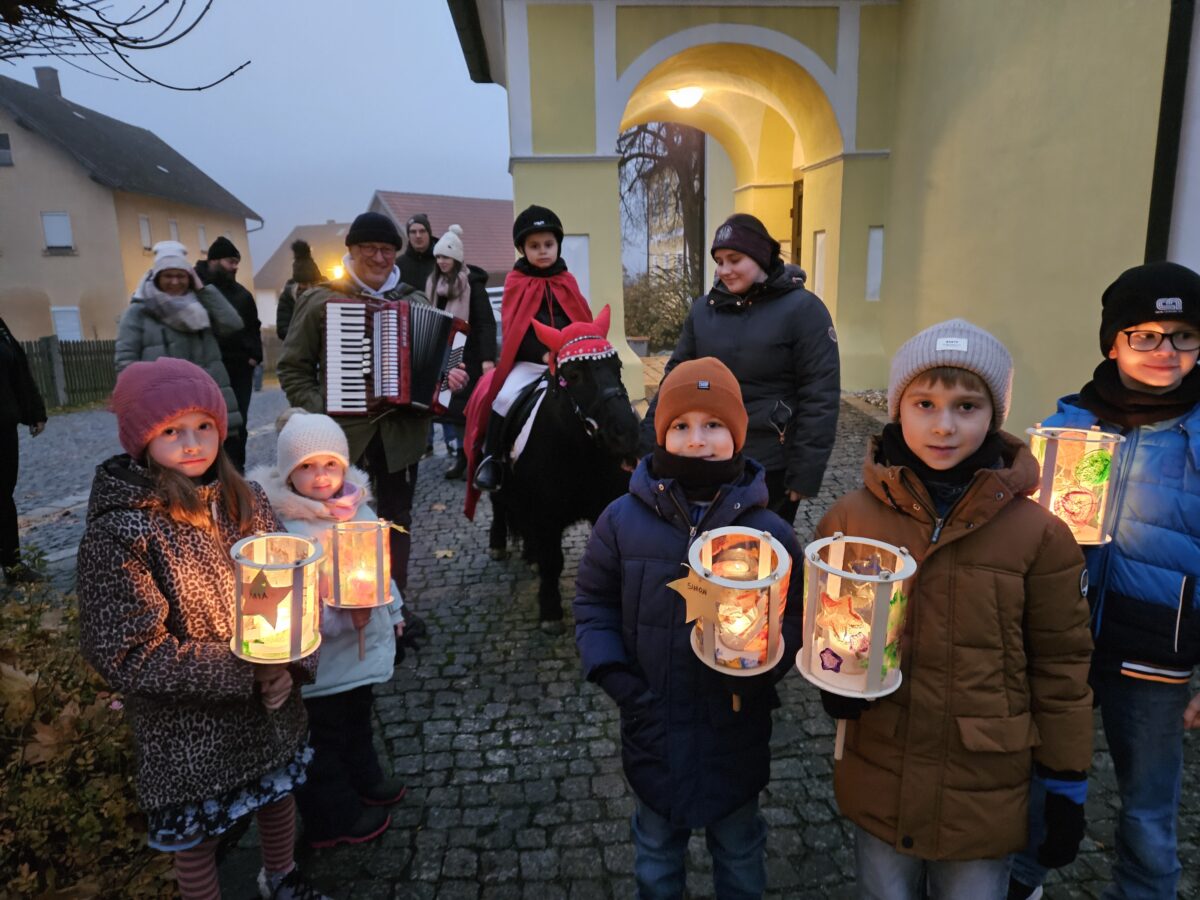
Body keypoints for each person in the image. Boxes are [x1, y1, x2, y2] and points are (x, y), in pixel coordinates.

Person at [814, 320, 1094, 900]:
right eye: (924, 403)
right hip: (883, 767)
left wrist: (1066, 778)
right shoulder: (850, 520)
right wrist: (833, 678)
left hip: (985, 784)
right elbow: (825, 620)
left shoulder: (1039, 535)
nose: (943, 425)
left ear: (994, 415)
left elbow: (1062, 665)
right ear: (898, 410)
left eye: (966, 406)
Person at [76, 357, 328, 900]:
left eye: (204, 427)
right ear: (142, 439)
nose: (192, 442)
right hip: (188, 729)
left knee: (277, 795)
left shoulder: (245, 500)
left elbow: (298, 585)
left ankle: (281, 878)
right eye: (172, 430)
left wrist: (287, 665)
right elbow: (128, 650)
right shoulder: (124, 531)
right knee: (196, 841)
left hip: (268, 709)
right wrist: (244, 671)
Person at [574, 357, 805, 898]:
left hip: (735, 724)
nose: (697, 440)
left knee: (740, 853)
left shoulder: (767, 531)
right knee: (656, 858)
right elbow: (593, 601)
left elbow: (795, 610)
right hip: (652, 723)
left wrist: (767, 664)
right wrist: (616, 678)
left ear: (738, 435)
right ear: (660, 433)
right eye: (681, 426)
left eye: (713, 425)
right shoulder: (620, 522)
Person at [1009, 262, 1200, 900]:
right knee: (1041, 778)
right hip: (1067, 644)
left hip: (1158, 655)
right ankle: (1022, 879)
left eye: (1182, 335)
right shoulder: (1071, 425)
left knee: (1147, 809)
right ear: (1113, 343)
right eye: (1144, 334)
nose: (1164, 351)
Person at [277, 211, 467, 643]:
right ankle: (346, 610)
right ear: (352, 252)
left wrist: (451, 379)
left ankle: (394, 611)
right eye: (369, 250)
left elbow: (448, 368)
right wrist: (322, 413)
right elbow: (292, 369)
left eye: (386, 250)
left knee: (397, 522)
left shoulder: (415, 301)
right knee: (342, 525)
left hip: (400, 439)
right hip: (343, 440)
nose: (379, 257)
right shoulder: (323, 301)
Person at [249, 409, 407, 849]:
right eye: (307, 467)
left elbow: (381, 567)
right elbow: (281, 602)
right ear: (288, 472)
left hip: (359, 654)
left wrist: (393, 611)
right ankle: (330, 815)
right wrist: (341, 614)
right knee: (322, 739)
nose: (321, 477)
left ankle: (365, 778)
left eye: (330, 464)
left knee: (357, 720)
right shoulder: (285, 527)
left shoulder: (358, 508)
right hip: (320, 665)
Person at [641, 213, 841, 525]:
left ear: (761, 256)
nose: (724, 270)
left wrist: (806, 472)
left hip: (770, 461)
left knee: (760, 555)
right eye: (719, 261)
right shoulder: (702, 312)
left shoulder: (805, 311)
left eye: (734, 260)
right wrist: (645, 442)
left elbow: (820, 395)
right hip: (708, 457)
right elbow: (675, 381)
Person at [465, 204, 592, 509]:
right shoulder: (516, 282)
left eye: (548, 244)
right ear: (522, 249)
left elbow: (580, 320)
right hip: (530, 363)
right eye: (534, 246)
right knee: (503, 399)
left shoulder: (567, 281)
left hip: (568, 363)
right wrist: (542, 351)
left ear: (557, 244)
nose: (543, 251)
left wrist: (570, 350)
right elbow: (514, 332)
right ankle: (494, 459)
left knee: (599, 398)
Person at [115, 240, 244, 444]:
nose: (175, 281)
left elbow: (232, 323)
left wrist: (203, 290)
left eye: (181, 276)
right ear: (157, 277)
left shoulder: (200, 305)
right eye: (168, 275)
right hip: (162, 405)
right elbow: (125, 361)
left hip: (205, 400)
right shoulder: (138, 312)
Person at [425, 224, 497, 480]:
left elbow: (487, 322)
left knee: (471, 412)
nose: (441, 261)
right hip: (446, 354)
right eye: (438, 257)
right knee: (453, 412)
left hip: (470, 356)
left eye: (445, 256)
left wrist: (488, 359)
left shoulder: (472, 285)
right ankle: (461, 458)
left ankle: (477, 458)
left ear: (456, 258)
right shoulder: (434, 284)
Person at [198, 236, 262, 471]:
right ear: (213, 260)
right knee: (204, 422)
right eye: (230, 261)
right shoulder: (194, 287)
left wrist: (254, 355)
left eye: (237, 262)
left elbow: (253, 326)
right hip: (204, 367)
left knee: (237, 423)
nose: (234, 267)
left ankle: (236, 472)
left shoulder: (242, 295)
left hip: (237, 368)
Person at [0, 316, 46, 583]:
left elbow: (17, 368)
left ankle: (12, 565)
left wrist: (34, 411)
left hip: (3, 427)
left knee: (3, 496)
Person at [276, 240, 323, 342]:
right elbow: (282, 330)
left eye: (313, 283)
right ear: (297, 283)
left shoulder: (329, 293)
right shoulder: (287, 298)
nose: (309, 287)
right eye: (304, 284)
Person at [397, 212, 437, 290]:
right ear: (408, 236)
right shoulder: (398, 265)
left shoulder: (441, 262)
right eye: (413, 232)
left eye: (422, 231)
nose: (418, 236)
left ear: (429, 233)